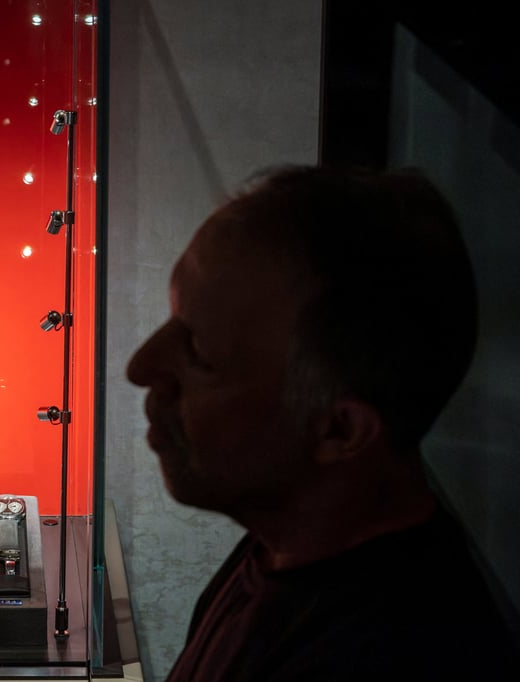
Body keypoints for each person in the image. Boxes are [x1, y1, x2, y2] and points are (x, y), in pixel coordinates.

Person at [126, 165, 519, 681]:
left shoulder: (388, 659)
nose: (141, 366)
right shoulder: (285, 547)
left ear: (340, 431)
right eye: (174, 320)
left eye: (199, 352)